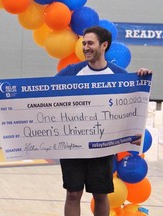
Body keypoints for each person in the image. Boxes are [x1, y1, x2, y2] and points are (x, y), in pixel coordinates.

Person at [56, 26, 152, 216]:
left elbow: (133, 106)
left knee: (101, 195)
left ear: (104, 45)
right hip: (74, 145)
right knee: (73, 194)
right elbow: (39, 94)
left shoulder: (119, 76)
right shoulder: (71, 72)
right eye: (84, 43)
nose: (85, 47)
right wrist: (7, 93)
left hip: (102, 147)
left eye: (90, 43)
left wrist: (141, 77)